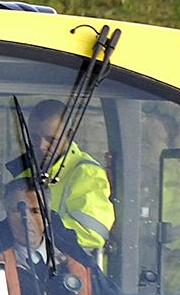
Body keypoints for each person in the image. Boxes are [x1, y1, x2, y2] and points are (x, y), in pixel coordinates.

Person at [12, 98, 116, 263]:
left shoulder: (86, 173)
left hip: (74, 277)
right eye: (35, 138)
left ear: (69, 135)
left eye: (50, 139)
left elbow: (92, 233)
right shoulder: (24, 173)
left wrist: (34, 231)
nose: (41, 146)